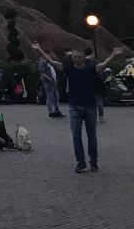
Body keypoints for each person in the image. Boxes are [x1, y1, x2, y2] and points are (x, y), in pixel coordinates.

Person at [32, 42, 124, 173]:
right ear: (72, 58)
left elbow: (103, 65)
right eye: (75, 57)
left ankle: (93, 161)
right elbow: (52, 62)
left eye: (79, 57)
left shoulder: (90, 69)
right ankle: (81, 162)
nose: (77, 59)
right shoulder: (69, 68)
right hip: (74, 107)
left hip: (90, 106)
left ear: (83, 58)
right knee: (76, 136)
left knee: (92, 136)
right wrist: (39, 49)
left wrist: (114, 55)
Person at [84, 48, 107, 123]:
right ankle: (101, 116)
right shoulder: (95, 61)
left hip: (86, 82)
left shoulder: (83, 61)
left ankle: (86, 116)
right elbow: (102, 69)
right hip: (96, 81)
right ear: (92, 53)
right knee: (98, 99)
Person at [39, 53, 64, 118]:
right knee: (50, 97)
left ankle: (57, 110)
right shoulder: (42, 62)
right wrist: (50, 79)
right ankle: (51, 112)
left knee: (56, 97)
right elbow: (42, 73)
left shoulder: (49, 62)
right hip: (48, 82)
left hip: (53, 82)